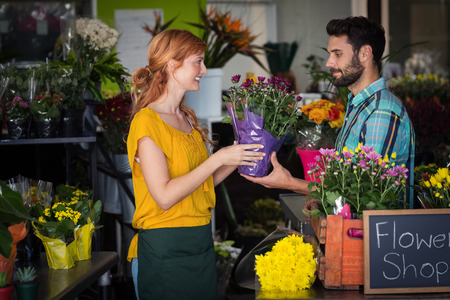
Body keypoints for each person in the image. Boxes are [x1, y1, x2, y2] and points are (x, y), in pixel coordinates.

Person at [126, 29, 264, 299]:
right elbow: (164, 196)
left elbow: (201, 184)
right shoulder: (147, 122)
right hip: (166, 244)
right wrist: (218, 158)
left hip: (199, 241)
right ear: (171, 65)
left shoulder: (186, 118)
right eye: (197, 61)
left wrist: (237, 157)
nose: (204, 68)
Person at [243, 16, 415, 206]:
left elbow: (365, 194)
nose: (329, 63)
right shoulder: (360, 105)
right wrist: (318, 196)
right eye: (330, 54)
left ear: (365, 53)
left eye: (337, 54)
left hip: (380, 233)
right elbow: (348, 183)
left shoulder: (381, 112)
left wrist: (291, 183)